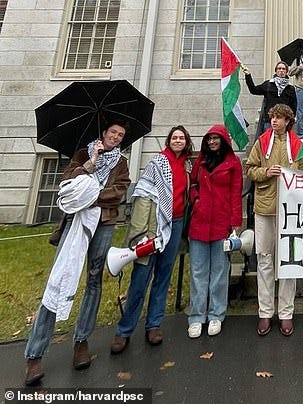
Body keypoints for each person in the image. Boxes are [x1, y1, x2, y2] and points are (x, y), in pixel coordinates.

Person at [24, 121, 131, 386]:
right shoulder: (83, 153)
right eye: (113, 133)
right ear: (103, 133)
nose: (116, 138)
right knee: (58, 279)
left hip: (104, 223)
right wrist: (90, 163)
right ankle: (35, 355)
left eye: (121, 135)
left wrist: (90, 194)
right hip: (75, 222)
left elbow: (119, 191)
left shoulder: (121, 163)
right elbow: (68, 180)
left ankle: (81, 341)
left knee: (93, 281)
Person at [110, 126, 193, 354]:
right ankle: (124, 330)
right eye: (175, 137)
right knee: (141, 277)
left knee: (163, 276)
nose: (178, 141)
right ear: (169, 140)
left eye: (182, 138)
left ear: (186, 142)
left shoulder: (187, 166)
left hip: (175, 225)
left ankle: (154, 324)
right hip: (154, 226)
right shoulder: (158, 164)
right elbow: (143, 196)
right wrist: (141, 234)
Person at [246, 103, 303, 337]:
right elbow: (250, 168)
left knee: (288, 262)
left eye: (279, 118)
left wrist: (295, 174)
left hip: (289, 210)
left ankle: (286, 313)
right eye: (273, 117)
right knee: (264, 258)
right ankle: (265, 311)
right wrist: (265, 173)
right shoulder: (262, 142)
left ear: (288, 121)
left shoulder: (297, 145)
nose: (274, 121)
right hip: (265, 208)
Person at [187, 125, 243, 338]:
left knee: (219, 273)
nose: (211, 142)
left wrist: (235, 222)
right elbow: (192, 185)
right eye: (209, 139)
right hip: (200, 222)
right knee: (198, 272)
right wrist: (197, 201)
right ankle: (196, 316)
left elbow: (236, 192)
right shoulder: (200, 162)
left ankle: (216, 314)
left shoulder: (233, 163)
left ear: (223, 140)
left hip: (221, 222)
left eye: (215, 138)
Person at [244, 61, 297, 135]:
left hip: (284, 122)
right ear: (276, 71)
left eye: (283, 69)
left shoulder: (290, 88)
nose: (281, 70)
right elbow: (253, 90)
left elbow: (294, 106)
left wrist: (290, 120)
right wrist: (248, 76)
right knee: (269, 143)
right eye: (279, 68)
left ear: (286, 71)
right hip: (269, 121)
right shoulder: (268, 84)